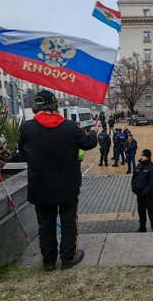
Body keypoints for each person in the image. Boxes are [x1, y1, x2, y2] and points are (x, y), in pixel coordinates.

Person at [18, 90, 97, 271]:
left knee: (45, 224)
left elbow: (23, 154)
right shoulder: (69, 126)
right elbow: (87, 143)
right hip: (67, 185)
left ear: (36, 107)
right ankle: (68, 258)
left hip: (40, 186)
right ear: (55, 105)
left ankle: (49, 262)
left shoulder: (27, 128)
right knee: (68, 221)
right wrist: (93, 132)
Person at [131, 149, 153, 232]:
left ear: (147, 157)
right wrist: (134, 189)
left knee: (152, 213)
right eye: (141, 155)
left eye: (143, 156)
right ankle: (142, 227)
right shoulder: (139, 166)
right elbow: (134, 179)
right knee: (141, 212)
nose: (141, 157)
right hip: (139, 195)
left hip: (149, 196)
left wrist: (144, 193)